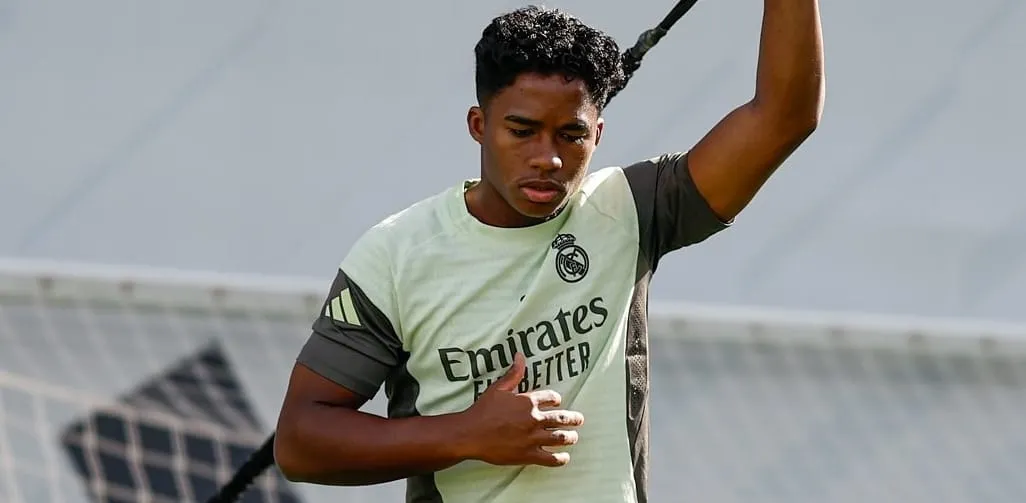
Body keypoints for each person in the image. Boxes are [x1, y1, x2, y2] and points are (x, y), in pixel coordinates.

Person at [273, 2, 823, 502]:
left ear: (598, 134)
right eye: (522, 130)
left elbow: (783, 116)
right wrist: (467, 434)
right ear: (478, 125)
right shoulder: (395, 254)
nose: (548, 158)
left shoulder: (629, 210)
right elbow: (301, 443)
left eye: (570, 135)